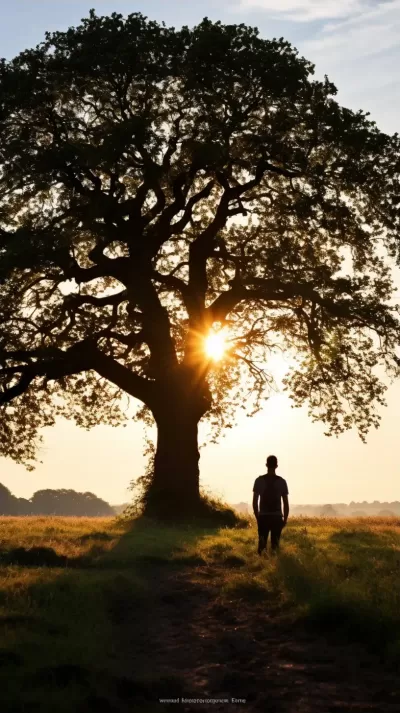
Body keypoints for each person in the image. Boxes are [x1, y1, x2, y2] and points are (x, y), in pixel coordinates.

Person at [252, 455, 289, 555]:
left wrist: (257, 517)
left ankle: (260, 566)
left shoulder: (259, 480)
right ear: (276, 466)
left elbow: (255, 502)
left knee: (262, 546)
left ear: (266, 465)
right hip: (277, 517)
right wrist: (285, 519)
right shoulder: (282, 482)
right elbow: (285, 502)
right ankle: (273, 567)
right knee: (275, 546)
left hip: (263, 516)